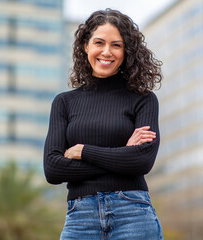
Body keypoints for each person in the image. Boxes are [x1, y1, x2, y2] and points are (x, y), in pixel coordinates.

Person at [43, 8, 163, 240]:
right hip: (80, 219)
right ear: (86, 46)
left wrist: (83, 151)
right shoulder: (64, 102)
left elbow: (142, 161)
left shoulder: (144, 99)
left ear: (127, 51)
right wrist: (123, 155)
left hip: (133, 214)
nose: (107, 52)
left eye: (116, 45)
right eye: (99, 42)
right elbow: (53, 169)